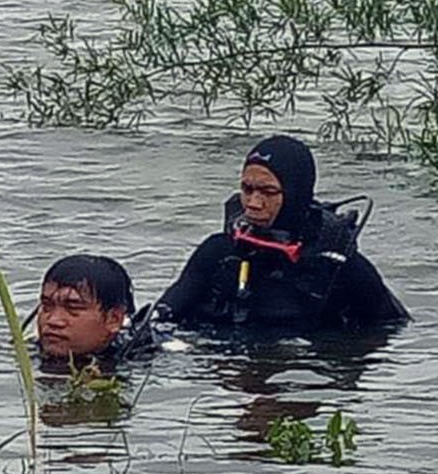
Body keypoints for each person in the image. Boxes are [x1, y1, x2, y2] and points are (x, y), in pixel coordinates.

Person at [154, 134, 407, 335]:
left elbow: (393, 331)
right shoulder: (218, 253)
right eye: (247, 188)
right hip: (232, 379)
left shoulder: (339, 266)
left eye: (267, 191)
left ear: (295, 194)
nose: (253, 203)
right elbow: (163, 316)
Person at [35, 253, 139, 366]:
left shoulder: (142, 365)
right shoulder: (24, 352)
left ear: (113, 319)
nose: (53, 321)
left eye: (73, 308)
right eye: (47, 305)